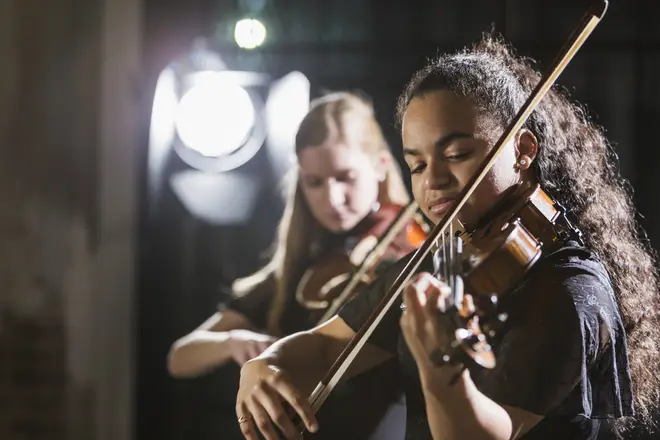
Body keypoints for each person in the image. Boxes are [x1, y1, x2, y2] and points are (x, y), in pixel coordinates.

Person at [234, 35, 660, 440]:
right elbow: (327, 346)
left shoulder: (569, 290)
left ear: (523, 149)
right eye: (417, 165)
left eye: (456, 155)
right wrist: (266, 364)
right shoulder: (447, 258)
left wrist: (441, 370)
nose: (433, 181)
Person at [167, 91, 413, 439]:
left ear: (380, 167)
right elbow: (180, 357)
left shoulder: (411, 248)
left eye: (346, 177)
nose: (331, 198)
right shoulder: (299, 270)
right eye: (315, 182)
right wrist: (233, 342)